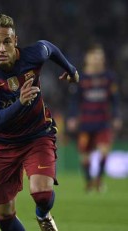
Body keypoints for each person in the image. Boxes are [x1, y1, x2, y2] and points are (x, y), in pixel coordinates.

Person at [0, 14, 79, 231]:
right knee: (3, 213)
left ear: (15, 40)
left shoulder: (33, 55)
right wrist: (21, 102)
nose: (2, 48)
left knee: (42, 194)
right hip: (3, 144)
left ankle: (43, 215)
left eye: (7, 42)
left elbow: (49, 47)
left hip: (37, 135)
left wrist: (71, 70)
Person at [67, 44, 122, 193]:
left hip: (103, 121)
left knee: (104, 150)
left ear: (103, 60)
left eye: (100, 57)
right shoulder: (81, 78)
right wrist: (72, 117)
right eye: (94, 57)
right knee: (85, 156)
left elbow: (115, 100)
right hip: (86, 122)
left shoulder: (109, 78)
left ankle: (99, 180)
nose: (97, 60)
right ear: (88, 59)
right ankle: (89, 182)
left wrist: (116, 116)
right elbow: (74, 101)